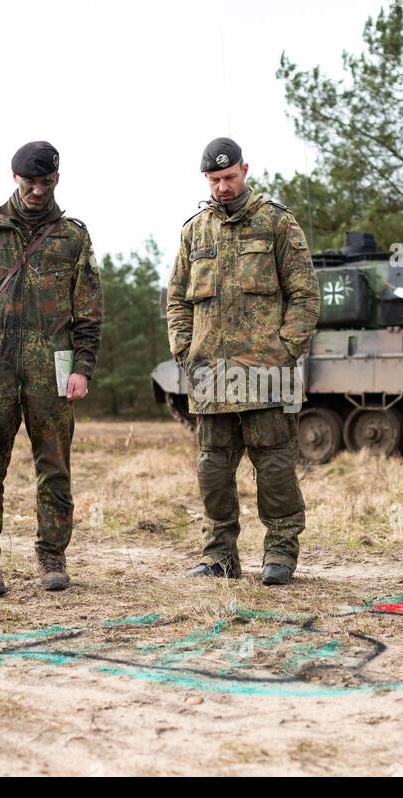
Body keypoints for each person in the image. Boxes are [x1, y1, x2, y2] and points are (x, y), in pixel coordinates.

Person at [0, 142, 103, 598]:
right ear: (14, 178)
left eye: (46, 182)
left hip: (53, 371)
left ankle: (52, 555)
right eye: (28, 182)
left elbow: (89, 312)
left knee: (54, 468)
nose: (37, 191)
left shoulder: (72, 237)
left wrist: (82, 368)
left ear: (57, 178)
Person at [165, 137, 320, 586]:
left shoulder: (276, 223)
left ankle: (280, 553)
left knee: (274, 467)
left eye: (229, 177)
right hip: (211, 375)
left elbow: (305, 295)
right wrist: (184, 349)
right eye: (214, 180)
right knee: (212, 468)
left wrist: (286, 350)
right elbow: (177, 299)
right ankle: (220, 556)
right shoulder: (194, 232)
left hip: (268, 373)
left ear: (245, 170)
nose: (222, 187)